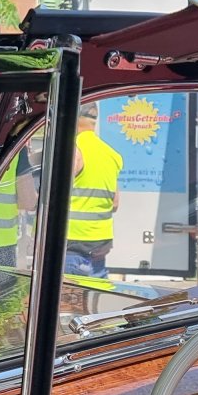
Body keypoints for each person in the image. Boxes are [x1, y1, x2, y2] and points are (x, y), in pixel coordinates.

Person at [66, 103, 121, 278]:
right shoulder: (111, 154)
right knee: (95, 293)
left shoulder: (72, 150)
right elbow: (115, 204)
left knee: (65, 295)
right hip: (99, 244)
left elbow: (54, 198)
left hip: (70, 244)